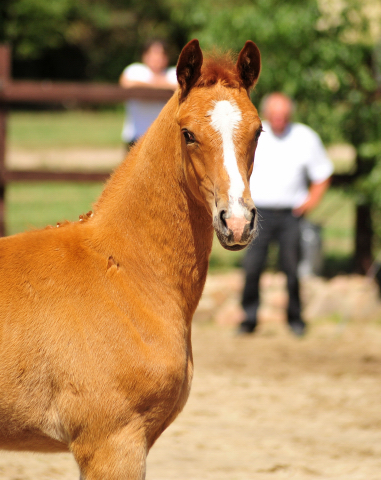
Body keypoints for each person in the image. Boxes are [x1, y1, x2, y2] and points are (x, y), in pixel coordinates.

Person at [238, 92, 334, 336]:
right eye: (275, 114)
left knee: (292, 269)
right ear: (267, 114)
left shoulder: (305, 137)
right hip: (259, 213)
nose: (279, 119)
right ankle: (248, 319)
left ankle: (295, 319)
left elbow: (322, 173)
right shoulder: (254, 135)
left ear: (289, 114)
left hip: (291, 214)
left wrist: (310, 202)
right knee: (252, 267)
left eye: (283, 115)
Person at [119, 39, 178, 147]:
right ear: (145, 56)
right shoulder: (135, 70)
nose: (157, 58)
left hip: (166, 139)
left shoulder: (173, 73)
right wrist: (161, 84)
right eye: (154, 54)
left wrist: (150, 84)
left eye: (161, 54)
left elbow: (180, 87)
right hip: (136, 137)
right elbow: (126, 83)